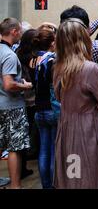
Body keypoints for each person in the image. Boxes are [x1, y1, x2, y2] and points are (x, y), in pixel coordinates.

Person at [52, 18, 98, 189]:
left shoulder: (58, 67)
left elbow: (61, 98)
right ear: (83, 39)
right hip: (88, 130)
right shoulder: (91, 69)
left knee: (72, 177)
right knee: (93, 177)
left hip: (66, 128)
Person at [0, 18, 33, 189]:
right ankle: (15, 185)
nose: (21, 34)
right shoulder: (9, 55)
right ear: (13, 32)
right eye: (20, 31)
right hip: (11, 107)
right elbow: (9, 84)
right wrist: (25, 85)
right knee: (14, 148)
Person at [30, 28, 59, 189]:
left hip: (38, 108)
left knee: (44, 149)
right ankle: (55, 184)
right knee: (54, 151)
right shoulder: (52, 60)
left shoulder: (34, 60)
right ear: (52, 43)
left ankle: (45, 185)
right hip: (51, 109)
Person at [15, 28, 39, 180]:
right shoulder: (33, 58)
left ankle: (22, 166)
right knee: (32, 132)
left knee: (23, 134)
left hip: (20, 99)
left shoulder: (17, 53)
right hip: (31, 99)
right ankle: (26, 162)